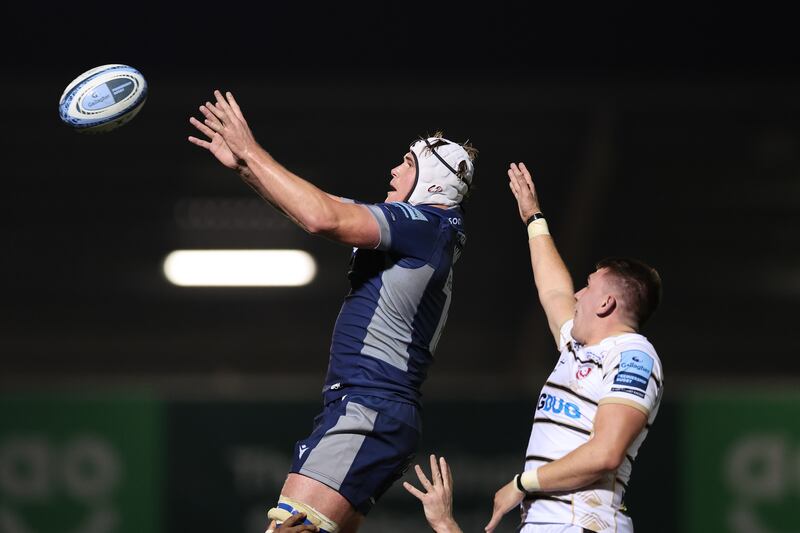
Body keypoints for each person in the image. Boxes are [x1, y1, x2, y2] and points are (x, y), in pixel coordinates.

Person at [187, 90, 477, 533]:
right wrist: (247, 169)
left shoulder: (423, 225)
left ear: (434, 180)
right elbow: (314, 202)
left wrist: (251, 148)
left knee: (287, 530)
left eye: (407, 162)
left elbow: (322, 217)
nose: (394, 169)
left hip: (369, 404)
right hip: (367, 405)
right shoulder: (421, 230)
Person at [482, 162, 664, 533]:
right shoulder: (579, 348)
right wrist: (533, 217)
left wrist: (522, 484)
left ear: (605, 304)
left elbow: (606, 453)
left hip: (581, 524)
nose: (577, 295)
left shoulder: (633, 357)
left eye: (588, 286)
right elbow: (553, 291)